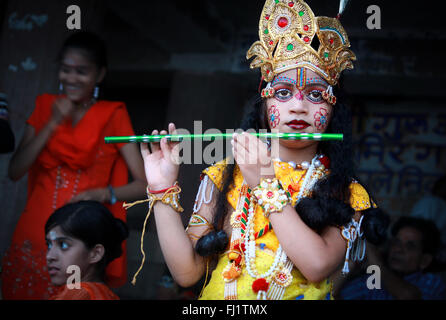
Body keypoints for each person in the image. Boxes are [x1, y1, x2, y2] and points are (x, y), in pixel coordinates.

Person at [136, 0, 389, 300]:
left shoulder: (348, 193)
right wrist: (162, 189)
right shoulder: (224, 176)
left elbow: (317, 264)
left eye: (315, 94)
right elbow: (187, 273)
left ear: (334, 110)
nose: (298, 106)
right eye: (282, 93)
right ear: (265, 105)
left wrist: (265, 184)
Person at [2, 31, 147, 299]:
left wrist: (102, 194)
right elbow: (15, 170)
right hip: (33, 233)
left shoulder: (112, 114)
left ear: (99, 75)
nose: (71, 78)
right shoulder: (45, 106)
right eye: (66, 70)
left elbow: (144, 185)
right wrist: (52, 123)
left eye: (81, 71)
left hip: (82, 237)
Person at [335, 216, 446, 300]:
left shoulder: (432, 282)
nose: (398, 249)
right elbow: (332, 295)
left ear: (424, 261)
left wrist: (377, 263)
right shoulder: (373, 280)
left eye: (410, 246)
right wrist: (352, 263)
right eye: (396, 242)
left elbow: (408, 297)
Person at [45, 201, 127, 300]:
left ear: (95, 254)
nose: (49, 256)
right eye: (49, 245)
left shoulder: (76, 295)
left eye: (63, 245)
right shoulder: (107, 295)